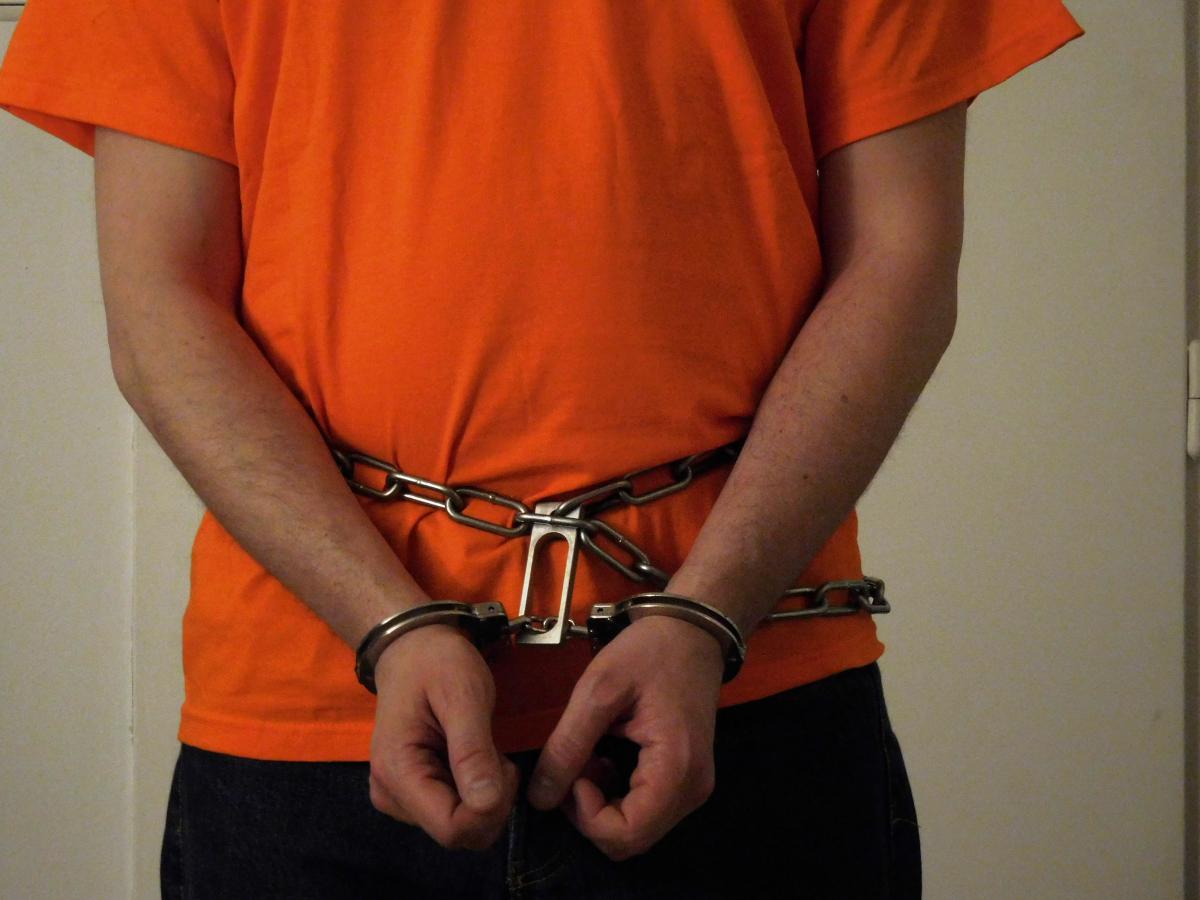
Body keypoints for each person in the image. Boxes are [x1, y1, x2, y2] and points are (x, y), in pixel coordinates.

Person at [0, 1, 1084, 896]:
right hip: (318, 718)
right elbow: (162, 307)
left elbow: (898, 259)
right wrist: (385, 621)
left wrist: (707, 615)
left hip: (741, 697)